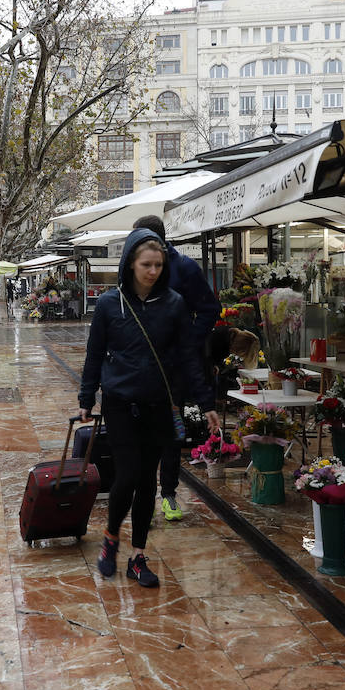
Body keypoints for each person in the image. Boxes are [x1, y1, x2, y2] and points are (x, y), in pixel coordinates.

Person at [78, 228, 219, 588]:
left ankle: (137, 556)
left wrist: (206, 403)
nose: (153, 271)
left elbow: (189, 357)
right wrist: (86, 398)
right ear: (129, 264)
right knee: (126, 475)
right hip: (120, 403)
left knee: (146, 482)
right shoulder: (110, 304)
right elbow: (94, 354)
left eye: (158, 264)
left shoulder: (173, 304)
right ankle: (111, 538)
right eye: (146, 264)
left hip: (159, 403)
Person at [131, 215, 221, 522]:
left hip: (173, 371)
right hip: (138, 367)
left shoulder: (184, 268)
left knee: (170, 432)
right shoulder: (134, 269)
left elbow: (210, 309)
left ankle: (168, 494)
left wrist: (188, 341)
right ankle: (142, 499)